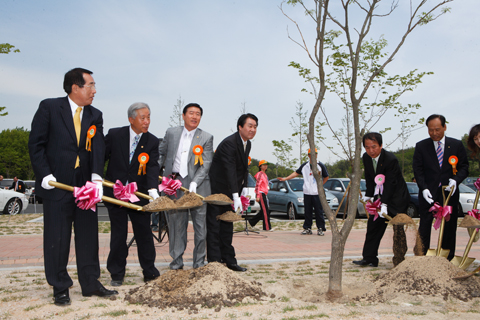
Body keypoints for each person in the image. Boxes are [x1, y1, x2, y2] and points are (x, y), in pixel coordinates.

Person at [28, 68, 117, 307]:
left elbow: (97, 146)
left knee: (88, 235)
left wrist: (97, 177)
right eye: (90, 85)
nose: (94, 91)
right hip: (57, 184)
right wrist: (44, 174)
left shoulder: (95, 114)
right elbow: (36, 144)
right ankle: (60, 285)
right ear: (75, 87)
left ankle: (90, 283)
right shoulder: (49, 107)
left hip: (85, 187)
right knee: (57, 236)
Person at [103, 102, 161, 286]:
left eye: (149, 117)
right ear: (131, 119)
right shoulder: (114, 134)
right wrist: (94, 177)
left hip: (139, 195)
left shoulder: (152, 141)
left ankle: (149, 271)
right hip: (116, 193)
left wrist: (153, 189)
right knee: (118, 235)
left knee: (144, 233)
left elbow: (152, 167)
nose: (147, 121)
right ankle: (117, 273)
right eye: (142, 118)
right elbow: (101, 156)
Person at [158, 103, 213, 270]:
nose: (194, 116)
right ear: (183, 115)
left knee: (200, 228)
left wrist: (195, 182)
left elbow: (206, 164)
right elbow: (162, 153)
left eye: (198, 114)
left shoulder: (207, 137)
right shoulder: (171, 132)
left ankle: (199, 263)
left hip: (199, 186)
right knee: (176, 226)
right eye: (191, 113)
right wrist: (156, 175)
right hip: (175, 186)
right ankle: (176, 262)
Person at [412, 114, 469, 260]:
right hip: (428, 194)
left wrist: (456, 180)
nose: (434, 133)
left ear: (444, 127)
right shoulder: (421, 146)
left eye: (437, 129)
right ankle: (421, 255)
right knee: (424, 225)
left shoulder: (456, 145)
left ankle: (447, 257)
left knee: (449, 226)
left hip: (448, 193)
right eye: (430, 130)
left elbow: (464, 167)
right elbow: (418, 170)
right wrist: (423, 188)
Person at [206, 113, 258, 272]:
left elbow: (241, 171)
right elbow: (229, 170)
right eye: (250, 126)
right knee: (214, 227)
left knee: (227, 225)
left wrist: (240, 193)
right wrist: (236, 196)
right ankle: (214, 262)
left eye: (255, 127)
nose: (253, 129)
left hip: (231, 191)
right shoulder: (229, 144)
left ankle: (229, 260)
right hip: (217, 191)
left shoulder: (246, 144)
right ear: (240, 127)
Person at [353, 132, 410, 267]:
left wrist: (384, 203)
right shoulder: (366, 158)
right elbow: (369, 177)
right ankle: (369, 258)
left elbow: (391, 183)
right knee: (373, 226)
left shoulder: (390, 159)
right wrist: (369, 194)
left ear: (381, 145)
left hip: (397, 199)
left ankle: (399, 260)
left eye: (374, 147)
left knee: (398, 229)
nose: (371, 150)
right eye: (367, 147)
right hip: (380, 198)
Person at [278, 148, 329, 236]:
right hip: (307, 192)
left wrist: (320, 185)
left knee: (318, 211)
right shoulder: (305, 166)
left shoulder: (320, 165)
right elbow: (296, 173)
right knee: (307, 211)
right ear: (308, 155)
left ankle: (320, 228)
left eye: (315, 154)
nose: (313, 155)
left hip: (316, 193)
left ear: (317, 155)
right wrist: (285, 178)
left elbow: (326, 176)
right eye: (311, 154)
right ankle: (307, 228)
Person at [249, 160, 272, 231]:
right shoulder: (260, 174)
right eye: (263, 165)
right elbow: (257, 185)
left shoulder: (265, 175)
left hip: (264, 194)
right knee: (265, 211)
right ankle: (267, 227)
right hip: (261, 193)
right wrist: (258, 196)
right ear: (260, 166)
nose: (265, 166)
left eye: (266, 165)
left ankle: (251, 222)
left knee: (263, 211)